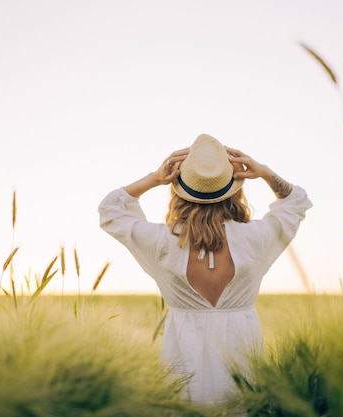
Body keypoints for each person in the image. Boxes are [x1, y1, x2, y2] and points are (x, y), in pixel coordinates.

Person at [98, 133, 312, 407]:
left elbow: (110, 209)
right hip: (243, 373)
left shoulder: (162, 243)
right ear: (234, 191)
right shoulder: (257, 238)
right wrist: (264, 172)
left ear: (178, 190)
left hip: (183, 375)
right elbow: (296, 201)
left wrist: (154, 178)